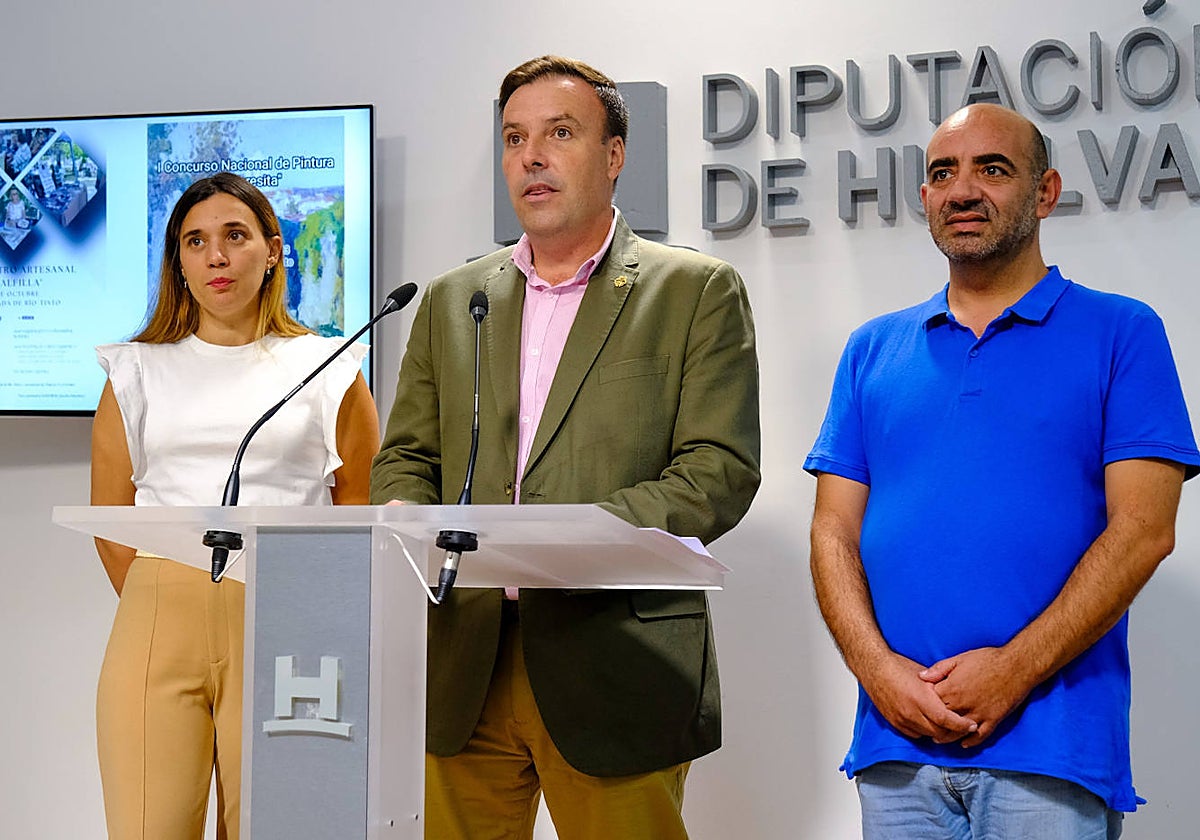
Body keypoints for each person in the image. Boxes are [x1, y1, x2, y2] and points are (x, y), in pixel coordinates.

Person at [371, 55, 760, 840]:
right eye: (515, 138)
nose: (532, 157)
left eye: (559, 133)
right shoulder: (453, 300)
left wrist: (564, 539)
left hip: (616, 657)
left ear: (614, 156)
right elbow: (406, 458)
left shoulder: (693, 290)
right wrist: (411, 520)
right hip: (465, 662)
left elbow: (718, 470)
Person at [805, 102, 1200, 839]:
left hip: (1051, 751)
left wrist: (1013, 670)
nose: (962, 190)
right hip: (895, 747)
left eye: (992, 169)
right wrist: (879, 673)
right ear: (925, 196)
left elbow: (1146, 531)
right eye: (943, 173)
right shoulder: (871, 349)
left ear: (1045, 192)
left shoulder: (1123, 332)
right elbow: (832, 533)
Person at [90, 172, 379, 840]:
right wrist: (169, 596)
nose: (215, 256)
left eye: (234, 236)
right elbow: (111, 519)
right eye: (195, 241)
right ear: (178, 261)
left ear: (273, 250)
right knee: (148, 827)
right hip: (159, 617)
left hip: (292, 619)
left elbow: (357, 508)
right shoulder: (134, 371)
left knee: (278, 827)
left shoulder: (329, 366)